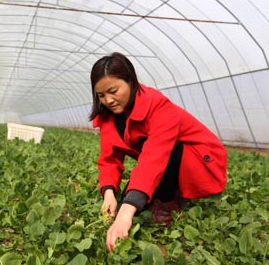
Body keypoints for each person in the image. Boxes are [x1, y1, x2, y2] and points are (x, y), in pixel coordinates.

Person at [89, 52, 227, 253]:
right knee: (133, 204)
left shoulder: (158, 106)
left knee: (131, 206)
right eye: (101, 96)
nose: (108, 100)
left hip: (201, 159)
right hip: (164, 160)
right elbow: (109, 159)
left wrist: (126, 211)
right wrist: (109, 193)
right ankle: (163, 193)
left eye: (113, 91)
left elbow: (155, 158)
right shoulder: (109, 116)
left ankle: (170, 201)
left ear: (130, 80)